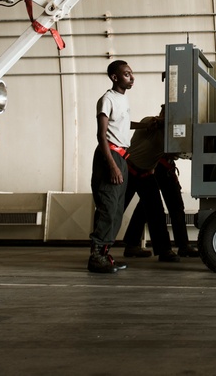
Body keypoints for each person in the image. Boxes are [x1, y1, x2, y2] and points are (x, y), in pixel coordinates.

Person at [88, 60, 137, 274]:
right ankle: (96, 257)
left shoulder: (122, 100)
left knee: (116, 211)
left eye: (132, 73)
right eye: (126, 74)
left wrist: (147, 124)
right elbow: (102, 136)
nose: (131, 77)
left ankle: (105, 254)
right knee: (107, 208)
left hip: (121, 158)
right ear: (115, 77)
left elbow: (125, 124)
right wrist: (113, 167)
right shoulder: (107, 99)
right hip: (110, 157)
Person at [120, 107, 183, 262]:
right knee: (115, 209)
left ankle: (164, 251)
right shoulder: (148, 121)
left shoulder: (169, 134)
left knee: (156, 212)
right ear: (161, 113)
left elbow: (174, 151)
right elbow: (155, 124)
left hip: (146, 175)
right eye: (165, 114)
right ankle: (100, 248)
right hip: (128, 171)